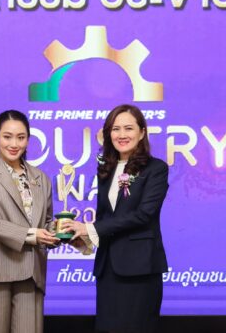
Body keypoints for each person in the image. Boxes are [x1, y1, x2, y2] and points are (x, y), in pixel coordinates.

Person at [62, 104, 169, 333]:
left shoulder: (156, 169)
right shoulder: (106, 169)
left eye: (128, 128)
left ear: (142, 132)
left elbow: (143, 215)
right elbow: (106, 217)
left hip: (140, 268)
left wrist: (90, 228)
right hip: (108, 268)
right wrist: (84, 239)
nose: (122, 134)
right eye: (115, 129)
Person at [0, 110, 60, 333]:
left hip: (31, 271)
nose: (14, 144)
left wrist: (60, 231)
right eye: (7, 137)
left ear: (28, 140)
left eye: (21, 137)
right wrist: (32, 235)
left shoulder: (41, 178)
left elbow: (45, 222)